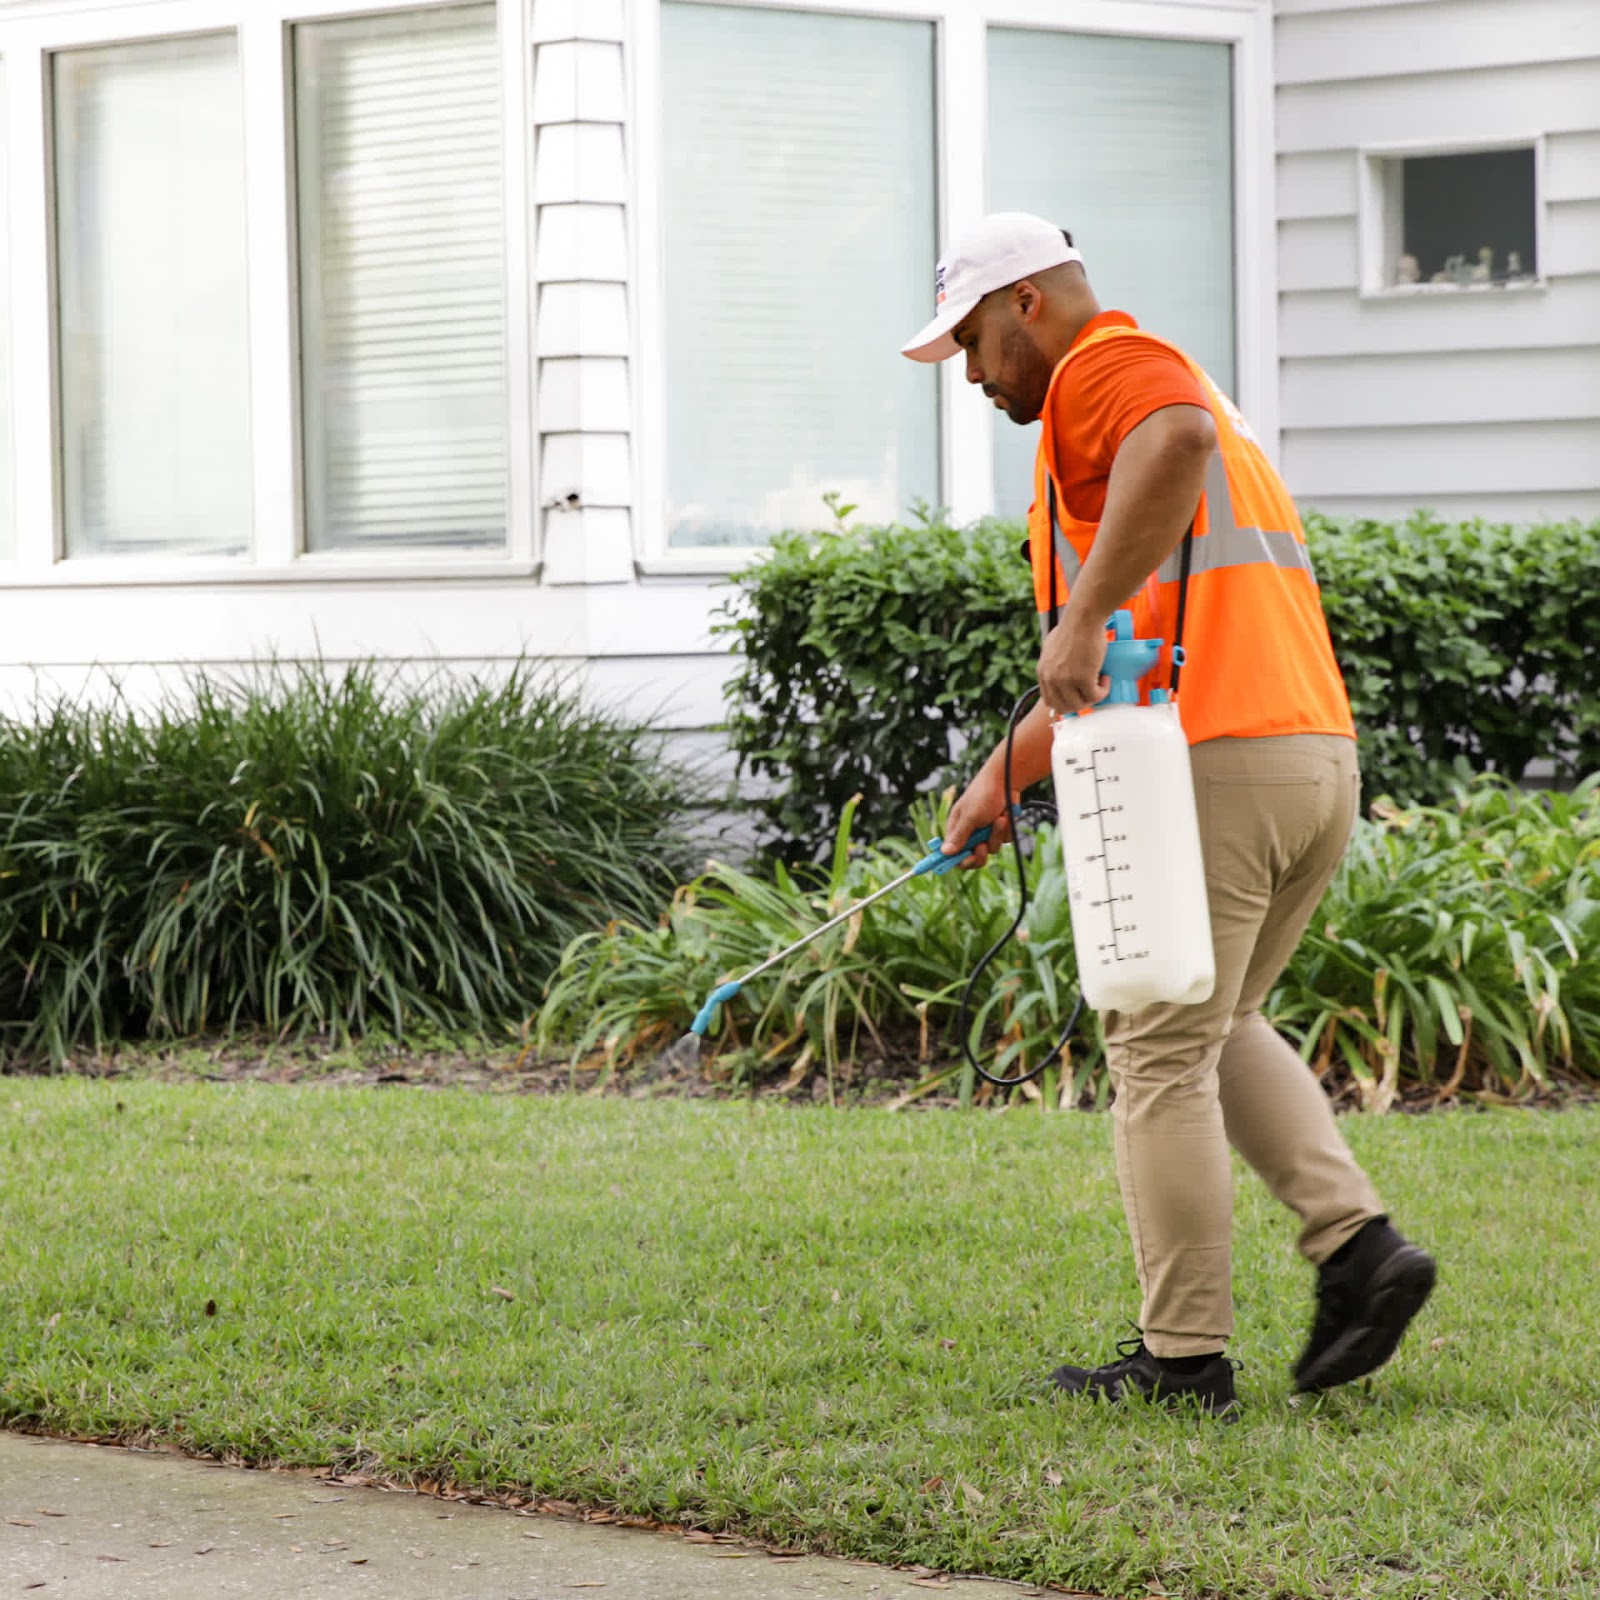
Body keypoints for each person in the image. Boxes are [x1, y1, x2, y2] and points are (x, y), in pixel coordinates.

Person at [901, 212, 1435, 1417]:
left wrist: (1075, 620)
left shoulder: (1110, 370)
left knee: (1152, 1043)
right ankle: (1359, 1250)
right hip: (1309, 756)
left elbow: (1162, 461)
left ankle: (1182, 1359)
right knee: (1221, 1020)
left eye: (976, 342)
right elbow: (1135, 637)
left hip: (1216, 762)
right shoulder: (1184, 407)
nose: (976, 376)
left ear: (1026, 304)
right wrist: (1004, 773)